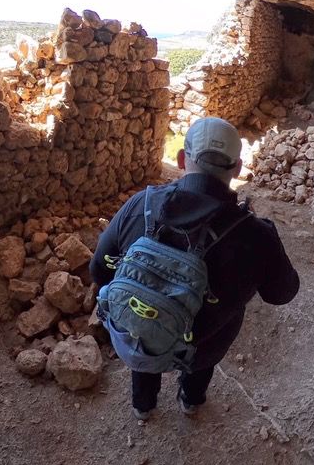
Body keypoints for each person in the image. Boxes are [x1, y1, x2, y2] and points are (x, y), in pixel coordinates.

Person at [90, 117, 299, 420]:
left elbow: (99, 268)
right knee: (201, 361)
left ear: (181, 159)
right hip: (205, 344)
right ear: (237, 168)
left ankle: (143, 407)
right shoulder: (257, 236)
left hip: (140, 330)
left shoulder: (141, 205)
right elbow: (281, 294)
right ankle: (190, 400)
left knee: (147, 338)